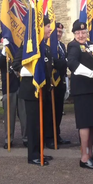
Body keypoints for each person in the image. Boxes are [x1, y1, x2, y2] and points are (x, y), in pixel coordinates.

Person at [13, 18, 54, 166]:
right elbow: (16, 65)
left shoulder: (44, 46)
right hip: (31, 90)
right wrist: (34, 73)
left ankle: (39, 152)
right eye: (48, 26)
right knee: (33, 124)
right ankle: (33, 155)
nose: (50, 29)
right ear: (39, 27)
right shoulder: (28, 46)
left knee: (41, 123)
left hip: (43, 90)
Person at [67, 19, 93, 170]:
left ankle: (90, 153)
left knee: (92, 124)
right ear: (74, 34)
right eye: (78, 32)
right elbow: (71, 63)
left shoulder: (87, 46)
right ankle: (84, 157)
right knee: (84, 124)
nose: (81, 35)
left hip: (92, 90)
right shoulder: (74, 46)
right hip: (83, 91)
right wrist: (91, 73)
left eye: (84, 32)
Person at [0, 37, 27, 149]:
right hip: (9, 87)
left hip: (22, 85)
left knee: (24, 115)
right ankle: (9, 139)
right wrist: (5, 49)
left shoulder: (21, 50)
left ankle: (26, 138)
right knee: (9, 115)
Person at [50, 22, 70, 147]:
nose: (59, 34)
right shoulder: (49, 45)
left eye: (60, 32)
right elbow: (55, 63)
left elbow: (63, 61)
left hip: (61, 81)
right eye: (57, 31)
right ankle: (50, 137)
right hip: (52, 82)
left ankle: (57, 135)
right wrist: (62, 63)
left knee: (59, 111)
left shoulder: (62, 45)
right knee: (51, 112)